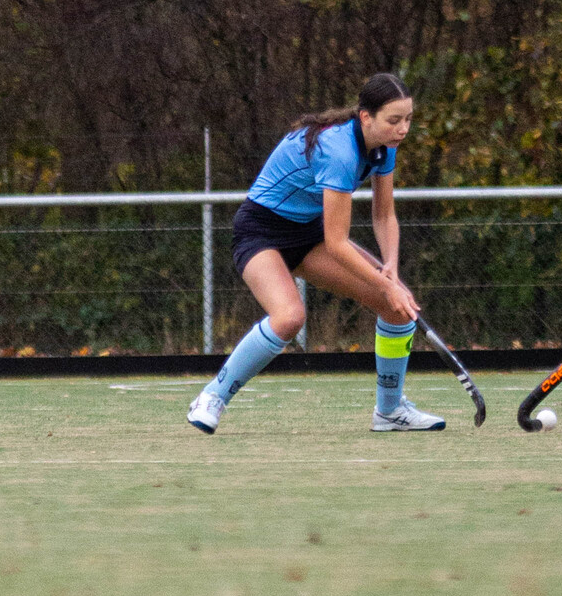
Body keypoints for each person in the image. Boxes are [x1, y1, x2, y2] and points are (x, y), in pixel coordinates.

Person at [187, 72, 447, 434]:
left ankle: (389, 412)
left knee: (397, 307)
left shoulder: (384, 147)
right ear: (366, 117)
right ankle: (212, 397)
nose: (403, 129)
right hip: (261, 231)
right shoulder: (338, 151)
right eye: (394, 120)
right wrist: (386, 283)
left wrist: (390, 269)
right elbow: (338, 242)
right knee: (290, 316)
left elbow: (384, 214)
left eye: (408, 120)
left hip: (308, 233)